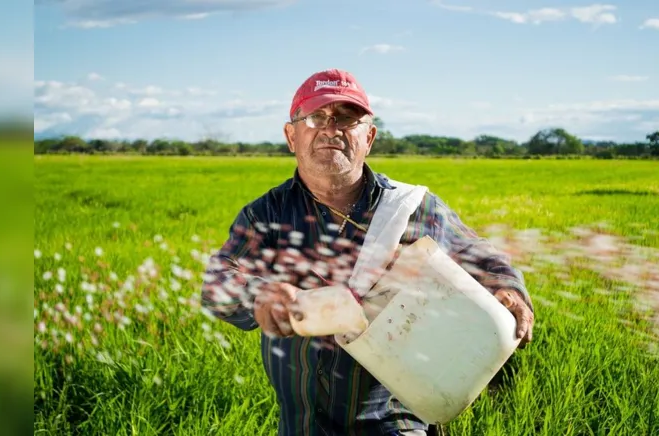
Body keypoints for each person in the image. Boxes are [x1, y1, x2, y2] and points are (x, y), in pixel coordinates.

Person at [200, 68, 535, 436]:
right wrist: (257, 294)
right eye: (315, 117)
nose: (331, 129)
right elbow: (217, 283)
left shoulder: (411, 207)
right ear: (291, 136)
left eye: (347, 118)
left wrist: (510, 289)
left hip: (396, 420)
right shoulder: (267, 214)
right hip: (302, 425)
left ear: (369, 137)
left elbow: (479, 255)